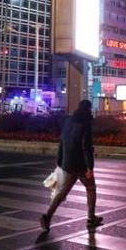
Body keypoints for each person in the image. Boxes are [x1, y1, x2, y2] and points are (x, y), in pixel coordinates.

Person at [41, 99, 102, 232]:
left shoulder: (69, 121)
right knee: (91, 188)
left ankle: (47, 216)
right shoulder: (85, 123)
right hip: (80, 163)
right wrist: (90, 167)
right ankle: (91, 218)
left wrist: (59, 159)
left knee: (63, 191)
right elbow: (86, 146)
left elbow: (62, 141)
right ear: (88, 110)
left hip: (68, 162)